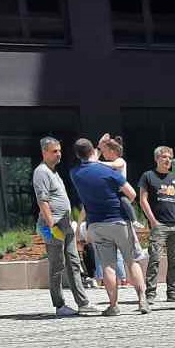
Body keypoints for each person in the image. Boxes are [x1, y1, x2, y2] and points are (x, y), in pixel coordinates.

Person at [69, 138, 148, 316]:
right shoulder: (107, 171)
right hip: (118, 220)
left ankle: (113, 305)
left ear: (77, 154)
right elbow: (132, 194)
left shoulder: (75, 173)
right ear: (93, 151)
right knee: (131, 260)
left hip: (96, 224)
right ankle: (142, 300)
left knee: (108, 266)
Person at [33, 137, 95, 317]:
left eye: (59, 150)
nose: (58, 154)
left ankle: (83, 303)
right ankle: (59, 304)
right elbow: (42, 200)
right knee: (57, 265)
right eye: (54, 151)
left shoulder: (54, 172)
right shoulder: (42, 172)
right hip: (52, 226)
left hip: (65, 224)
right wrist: (51, 224)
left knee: (74, 262)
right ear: (44, 152)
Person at [138, 145, 175, 305]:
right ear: (157, 158)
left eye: (170, 158)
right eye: (164, 157)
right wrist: (152, 221)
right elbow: (142, 199)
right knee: (155, 258)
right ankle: (150, 293)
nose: (168, 160)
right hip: (159, 225)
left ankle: (172, 292)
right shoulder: (148, 176)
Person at [97, 134, 145, 262]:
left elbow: (114, 165)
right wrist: (101, 145)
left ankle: (134, 220)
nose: (103, 155)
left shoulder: (120, 161)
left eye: (105, 152)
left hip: (121, 190)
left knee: (125, 201)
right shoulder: (109, 162)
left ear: (113, 152)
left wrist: (99, 163)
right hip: (114, 193)